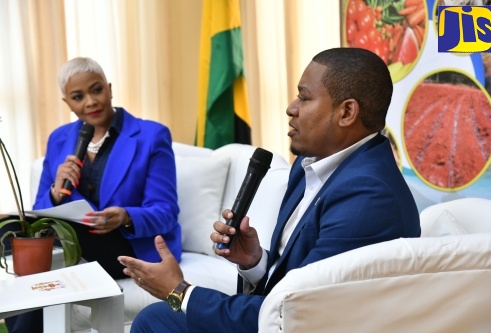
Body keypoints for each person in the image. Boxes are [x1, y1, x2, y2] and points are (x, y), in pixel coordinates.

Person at [118, 47, 421, 333]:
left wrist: (179, 292)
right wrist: (255, 262)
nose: (291, 108)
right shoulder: (311, 163)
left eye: (304, 98)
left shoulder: (369, 195)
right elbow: (298, 280)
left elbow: (297, 313)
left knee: (156, 321)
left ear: (346, 113)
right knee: (157, 319)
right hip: (294, 315)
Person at [5, 57, 181, 333]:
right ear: (67, 102)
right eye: (78, 96)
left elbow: (167, 211)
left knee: (53, 250)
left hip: (127, 246)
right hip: (75, 246)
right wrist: (55, 190)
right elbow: (40, 210)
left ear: (109, 89)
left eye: (96, 90)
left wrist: (125, 216)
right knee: (14, 230)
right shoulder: (59, 139)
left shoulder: (151, 135)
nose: (90, 102)